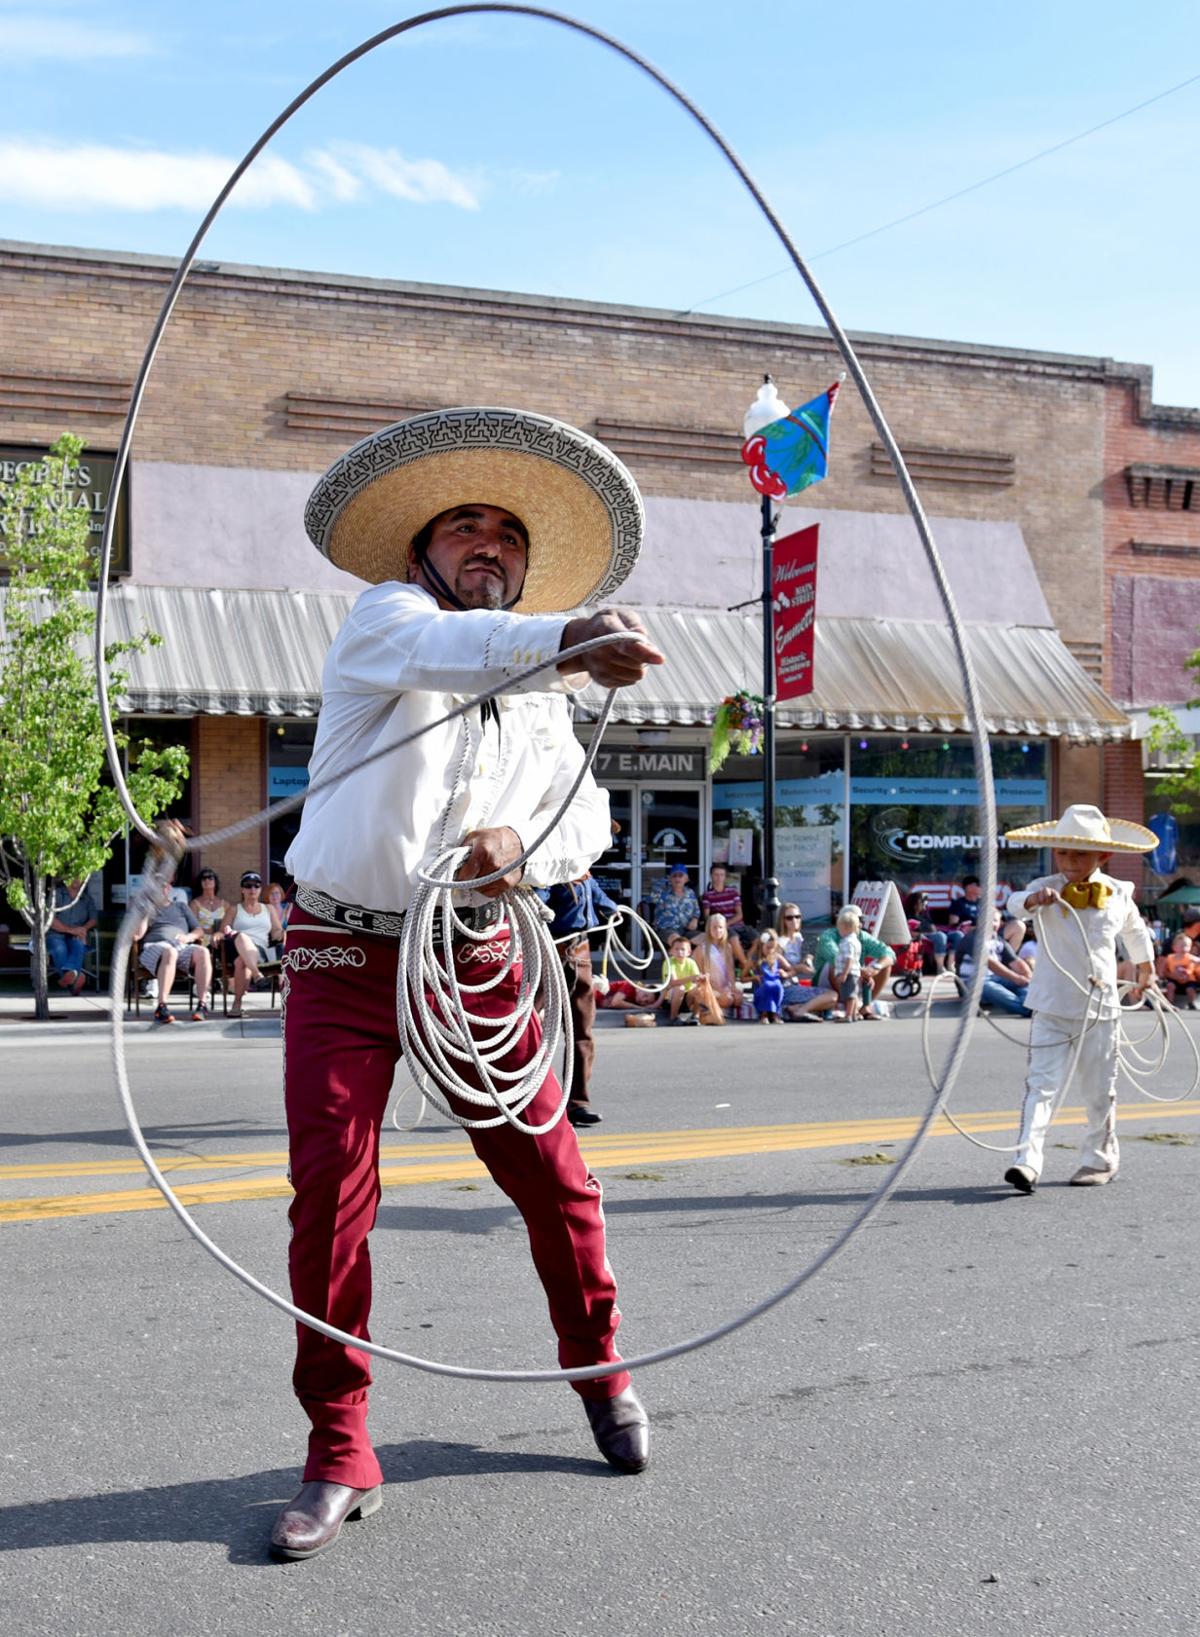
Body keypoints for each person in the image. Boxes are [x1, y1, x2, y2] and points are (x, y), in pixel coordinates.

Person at [271, 405, 662, 1561]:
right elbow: (459, 649)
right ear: (421, 551)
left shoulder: (546, 692)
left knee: (552, 1169)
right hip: (343, 949)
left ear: (524, 560)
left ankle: (600, 1370)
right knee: (330, 1198)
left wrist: (522, 854)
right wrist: (574, 635)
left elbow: (581, 818)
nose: (485, 542)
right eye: (462, 525)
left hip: (474, 951)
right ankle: (339, 1444)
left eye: (506, 530)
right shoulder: (385, 625)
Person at [998, 804, 1156, 1193]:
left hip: (1100, 1007)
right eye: (1065, 851)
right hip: (1052, 1004)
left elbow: (1135, 931)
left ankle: (1098, 1158)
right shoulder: (1042, 888)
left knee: (1100, 1088)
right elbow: (1014, 904)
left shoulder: (1119, 893)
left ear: (1103, 856)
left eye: (1080, 853)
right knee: (1041, 1085)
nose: (1070, 860)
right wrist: (1035, 902)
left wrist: (1145, 969)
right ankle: (1027, 1161)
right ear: (1055, 853)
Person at [540, 873, 621, 1126]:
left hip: (580, 955)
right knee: (527, 1026)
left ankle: (577, 1104)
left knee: (582, 1033)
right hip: (552, 954)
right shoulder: (551, 874)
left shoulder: (587, 877)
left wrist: (613, 911)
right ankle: (519, 1097)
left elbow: (606, 904)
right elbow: (536, 902)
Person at [133, 880, 213, 1024]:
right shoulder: (146, 909)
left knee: (203, 952)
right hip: (154, 947)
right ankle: (161, 1007)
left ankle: (202, 1005)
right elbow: (137, 935)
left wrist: (188, 937)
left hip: (181, 946)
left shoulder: (181, 907)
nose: (160, 890)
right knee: (170, 952)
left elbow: (199, 930)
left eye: (163, 886)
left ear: (168, 888)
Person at [218, 871, 284, 1017]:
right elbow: (222, 931)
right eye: (248, 886)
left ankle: (237, 1004)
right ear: (242, 889)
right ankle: (256, 974)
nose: (252, 889)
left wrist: (283, 934)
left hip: (259, 951)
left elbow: (276, 932)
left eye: (256, 886)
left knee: (242, 962)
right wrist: (218, 935)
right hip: (235, 947)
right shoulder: (234, 909)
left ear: (260, 889)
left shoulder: (269, 909)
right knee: (242, 937)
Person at [956, 908, 1033, 1016]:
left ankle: (1030, 1004)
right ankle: (1026, 1009)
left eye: (995, 920)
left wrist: (1027, 977)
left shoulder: (998, 940)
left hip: (995, 979)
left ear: (1000, 923)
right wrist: (1016, 978)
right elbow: (990, 964)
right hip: (972, 983)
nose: (992, 924)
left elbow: (1016, 962)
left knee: (1025, 984)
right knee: (987, 986)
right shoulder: (971, 939)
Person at [45, 876, 98, 995]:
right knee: (60, 948)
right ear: (66, 878)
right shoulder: (56, 894)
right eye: (73, 876)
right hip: (55, 934)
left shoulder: (87, 898)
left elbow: (93, 919)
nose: (77, 879)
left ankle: (70, 977)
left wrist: (83, 929)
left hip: (76, 934)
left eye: (80, 877)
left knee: (78, 945)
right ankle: (74, 981)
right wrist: (71, 930)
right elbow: (50, 920)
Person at [661, 932, 723, 1024]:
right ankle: (673, 1017)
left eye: (682, 949)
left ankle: (695, 1016)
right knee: (680, 988)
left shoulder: (691, 962)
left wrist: (702, 978)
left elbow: (696, 979)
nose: (679, 952)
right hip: (670, 998)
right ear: (671, 951)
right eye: (676, 949)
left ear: (689, 952)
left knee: (700, 988)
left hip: (687, 998)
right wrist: (691, 978)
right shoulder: (669, 962)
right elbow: (672, 983)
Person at [695, 912, 746, 1018]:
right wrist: (714, 987)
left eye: (720, 927)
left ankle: (720, 1006)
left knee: (738, 998)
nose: (718, 931)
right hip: (709, 986)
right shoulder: (702, 949)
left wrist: (732, 986)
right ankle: (715, 1008)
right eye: (714, 927)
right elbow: (699, 973)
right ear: (709, 929)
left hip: (724, 985)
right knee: (727, 999)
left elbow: (730, 969)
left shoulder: (727, 947)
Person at [700, 864, 752, 948]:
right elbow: (707, 917)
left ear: (725, 877)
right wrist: (721, 925)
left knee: (758, 938)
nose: (719, 878)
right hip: (722, 928)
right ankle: (745, 961)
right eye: (716, 875)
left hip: (739, 925)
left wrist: (727, 923)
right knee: (734, 938)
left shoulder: (733, 892)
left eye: (721, 875)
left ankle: (747, 960)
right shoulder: (707, 895)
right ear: (711, 876)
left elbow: (740, 915)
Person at [777, 904, 814, 1006]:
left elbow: (802, 959)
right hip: (784, 985)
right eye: (789, 918)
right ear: (783, 920)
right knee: (829, 996)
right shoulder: (780, 942)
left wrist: (808, 958)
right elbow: (782, 969)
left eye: (797, 917)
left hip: (796, 982)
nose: (794, 920)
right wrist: (800, 968)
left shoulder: (798, 937)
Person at [652, 864, 701, 942]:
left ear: (686, 879)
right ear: (670, 878)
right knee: (678, 941)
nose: (677, 878)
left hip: (687, 930)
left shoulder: (690, 893)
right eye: (674, 876)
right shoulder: (662, 893)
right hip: (667, 930)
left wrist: (695, 920)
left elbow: (696, 910)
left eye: (680, 875)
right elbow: (649, 898)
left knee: (705, 939)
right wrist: (665, 880)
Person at [904, 890, 948, 974]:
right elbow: (909, 932)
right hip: (922, 936)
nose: (925, 904)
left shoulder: (924, 915)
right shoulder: (908, 915)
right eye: (922, 902)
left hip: (932, 935)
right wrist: (923, 934)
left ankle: (951, 966)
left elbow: (933, 928)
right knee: (940, 936)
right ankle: (940, 967)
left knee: (956, 935)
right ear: (914, 904)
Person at [751, 927, 789, 1023]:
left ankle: (775, 1014)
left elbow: (792, 969)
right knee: (767, 986)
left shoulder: (776, 957)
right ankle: (764, 1014)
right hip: (761, 986)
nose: (770, 951)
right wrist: (754, 977)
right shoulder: (755, 958)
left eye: (773, 948)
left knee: (778, 986)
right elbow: (742, 978)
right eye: (768, 948)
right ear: (761, 945)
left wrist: (785, 973)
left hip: (775, 983)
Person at [945, 875, 983, 969]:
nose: (981, 887)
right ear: (968, 887)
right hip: (967, 933)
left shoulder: (984, 903)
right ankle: (952, 965)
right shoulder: (958, 903)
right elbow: (953, 924)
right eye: (978, 885)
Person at [831, 909, 862, 1023]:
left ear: (846, 928)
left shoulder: (848, 942)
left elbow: (850, 959)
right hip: (853, 972)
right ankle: (853, 1014)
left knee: (849, 995)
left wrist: (844, 973)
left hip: (849, 972)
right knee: (852, 993)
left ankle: (848, 1015)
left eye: (840, 928)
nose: (839, 930)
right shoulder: (855, 941)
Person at [189, 868, 226, 945]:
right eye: (204, 879)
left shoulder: (225, 904)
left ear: (215, 882)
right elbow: (193, 926)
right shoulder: (194, 904)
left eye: (210, 878)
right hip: (202, 940)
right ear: (200, 883)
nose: (207, 881)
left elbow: (230, 924)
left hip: (221, 939)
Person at [1163, 933, 1198, 1008]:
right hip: (1174, 979)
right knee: (1170, 986)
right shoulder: (1170, 958)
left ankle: (1191, 1003)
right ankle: (1169, 1003)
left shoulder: (1190, 957)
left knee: (1190, 989)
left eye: (1187, 946)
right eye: (1181, 946)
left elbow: (1197, 961)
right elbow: (1165, 970)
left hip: (1188, 980)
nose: (1184, 948)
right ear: (1174, 947)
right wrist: (1171, 975)